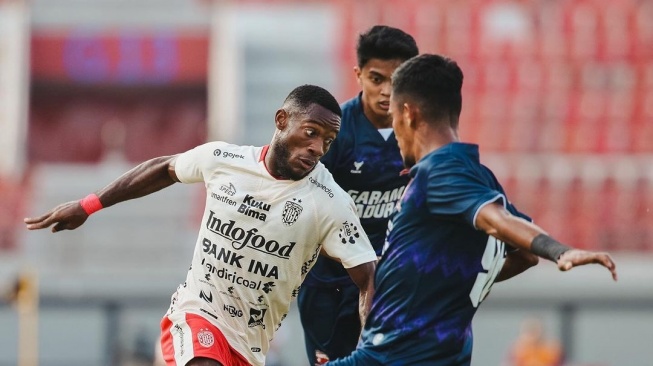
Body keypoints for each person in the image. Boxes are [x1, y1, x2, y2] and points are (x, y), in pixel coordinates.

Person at [24, 84, 378, 366]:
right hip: (197, 313)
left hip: (250, 347)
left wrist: (374, 344)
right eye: (311, 133)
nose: (317, 148)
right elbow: (164, 168)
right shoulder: (224, 159)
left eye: (327, 142)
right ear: (282, 120)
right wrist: (88, 205)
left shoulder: (329, 201)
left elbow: (368, 277)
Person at [323, 54, 618, 366]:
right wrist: (446, 287)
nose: (395, 136)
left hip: (391, 356)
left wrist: (558, 251)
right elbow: (523, 255)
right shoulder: (480, 175)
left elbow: (495, 220)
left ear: (409, 114)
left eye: (393, 119)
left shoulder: (439, 172)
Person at [297, 25, 418, 364]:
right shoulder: (335, 131)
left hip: (390, 283)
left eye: (396, 80)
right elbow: (303, 201)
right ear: (358, 74)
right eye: (376, 79)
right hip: (329, 285)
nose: (386, 91)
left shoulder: (418, 131)